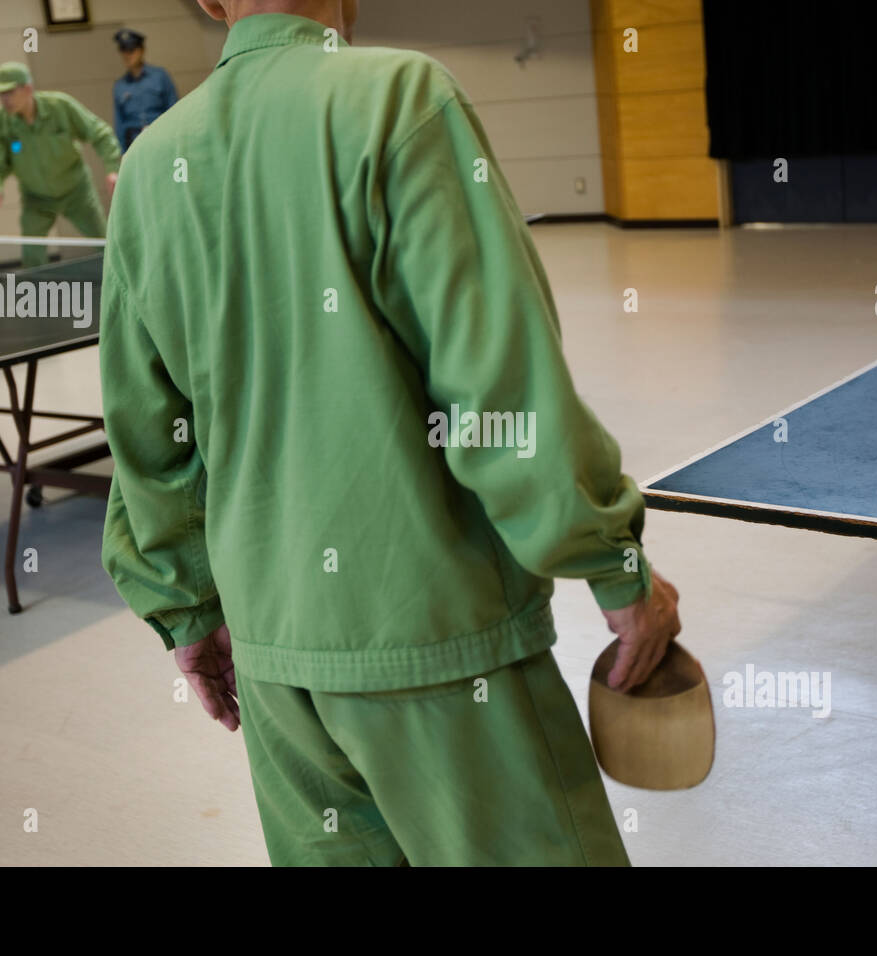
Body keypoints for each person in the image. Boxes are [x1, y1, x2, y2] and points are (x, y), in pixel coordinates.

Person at [99, 0, 682, 867]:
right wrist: (609, 557)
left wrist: (184, 609)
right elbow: (498, 385)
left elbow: (148, 437)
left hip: (275, 666)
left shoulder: (150, 167)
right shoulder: (401, 99)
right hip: (441, 651)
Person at [0, 62, 121, 266]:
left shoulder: (60, 106)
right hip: (36, 198)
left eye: (9, 92)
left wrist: (112, 169)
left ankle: (125, 287)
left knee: (104, 243)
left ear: (28, 89)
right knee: (32, 254)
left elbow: (101, 134)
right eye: (0, 94)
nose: (4, 100)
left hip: (76, 191)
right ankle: (34, 294)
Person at [112, 28, 179, 151]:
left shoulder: (160, 76)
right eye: (123, 50)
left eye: (131, 50)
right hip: (133, 143)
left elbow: (173, 108)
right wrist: (121, 151)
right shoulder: (120, 85)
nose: (127, 55)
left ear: (142, 50)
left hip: (161, 137)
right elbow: (119, 122)